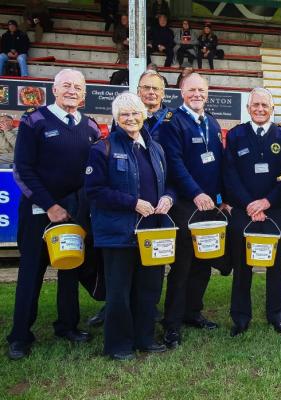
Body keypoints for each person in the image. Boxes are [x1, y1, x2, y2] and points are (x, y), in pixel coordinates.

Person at [7, 69, 101, 360]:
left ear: (84, 94)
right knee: (31, 273)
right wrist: (50, 205)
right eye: (67, 86)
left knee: (70, 270)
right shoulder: (34, 120)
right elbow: (22, 169)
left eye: (78, 87)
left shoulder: (91, 127)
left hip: (74, 213)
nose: (72, 90)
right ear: (55, 89)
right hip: (40, 211)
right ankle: (20, 335)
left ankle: (67, 325)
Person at [85, 92, 174, 361]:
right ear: (116, 118)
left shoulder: (156, 148)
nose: (131, 118)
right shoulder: (103, 149)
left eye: (135, 113)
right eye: (124, 114)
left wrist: (169, 197)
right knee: (119, 292)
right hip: (118, 234)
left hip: (151, 232)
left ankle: (144, 338)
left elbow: (168, 183)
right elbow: (94, 191)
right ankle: (118, 345)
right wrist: (132, 203)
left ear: (144, 115)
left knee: (149, 288)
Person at [158, 73, 225, 349]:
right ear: (181, 92)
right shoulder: (171, 122)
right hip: (186, 204)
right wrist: (196, 193)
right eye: (191, 90)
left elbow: (218, 163)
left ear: (207, 93)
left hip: (209, 204)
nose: (197, 94)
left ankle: (192, 311)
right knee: (183, 265)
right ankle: (171, 324)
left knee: (204, 262)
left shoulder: (211, 121)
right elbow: (174, 164)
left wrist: (219, 197)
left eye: (201, 90)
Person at [224, 88, 281, 337]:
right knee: (242, 266)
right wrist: (250, 205)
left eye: (265, 105)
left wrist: (266, 202)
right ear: (248, 108)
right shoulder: (235, 135)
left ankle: (277, 315)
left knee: (277, 265)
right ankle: (240, 317)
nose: (260, 109)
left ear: (272, 109)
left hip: (276, 210)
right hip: (244, 211)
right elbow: (229, 175)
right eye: (256, 105)